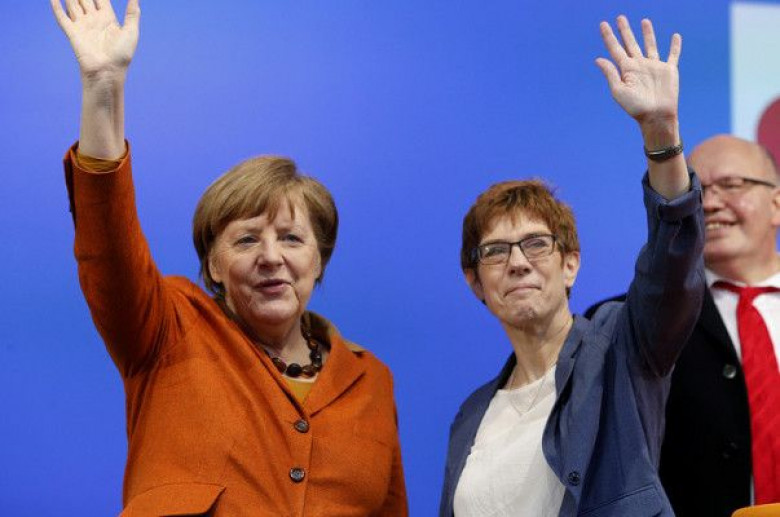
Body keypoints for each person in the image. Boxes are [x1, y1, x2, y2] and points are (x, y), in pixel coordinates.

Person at [50, 0, 407, 514]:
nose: (271, 257)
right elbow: (108, 247)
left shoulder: (371, 380)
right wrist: (103, 87)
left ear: (319, 259)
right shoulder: (167, 329)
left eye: (291, 238)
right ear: (213, 265)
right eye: (246, 240)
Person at [439, 16, 705, 517]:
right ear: (476, 283)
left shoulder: (622, 349)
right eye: (495, 251)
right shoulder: (471, 416)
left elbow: (672, 266)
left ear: (570, 265)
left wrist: (660, 133)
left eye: (536, 244)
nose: (518, 263)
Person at [586, 135, 780, 516]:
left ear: (776, 204)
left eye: (731, 185)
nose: (710, 203)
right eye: (698, 190)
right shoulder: (633, 324)